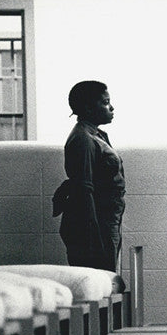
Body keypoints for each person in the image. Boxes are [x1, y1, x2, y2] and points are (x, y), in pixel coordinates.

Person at [53, 80, 126, 275]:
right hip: (93, 227)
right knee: (101, 284)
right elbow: (83, 190)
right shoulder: (83, 139)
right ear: (88, 108)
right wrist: (94, 240)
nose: (111, 107)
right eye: (105, 102)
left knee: (106, 283)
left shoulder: (95, 135)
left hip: (104, 223)